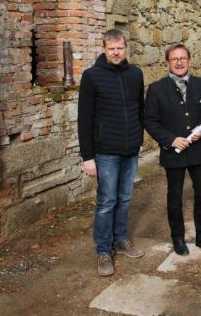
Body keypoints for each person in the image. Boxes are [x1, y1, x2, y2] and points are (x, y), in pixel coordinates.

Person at [78, 28, 146, 277]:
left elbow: (140, 109)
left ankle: (120, 239)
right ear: (104, 49)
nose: (116, 53)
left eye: (120, 48)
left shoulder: (135, 74)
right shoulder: (92, 76)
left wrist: (139, 139)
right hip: (105, 152)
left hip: (130, 150)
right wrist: (88, 157)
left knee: (125, 198)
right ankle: (104, 251)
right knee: (107, 201)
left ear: (126, 48)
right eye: (111, 49)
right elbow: (84, 119)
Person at [144, 44, 201, 256]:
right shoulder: (156, 89)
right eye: (174, 59)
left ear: (189, 60)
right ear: (167, 63)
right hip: (173, 153)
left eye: (183, 58)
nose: (179, 62)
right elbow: (150, 121)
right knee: (175, 197)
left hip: (198, 151)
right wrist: (171, 140)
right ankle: (177, 238)